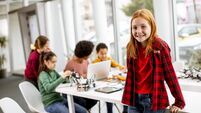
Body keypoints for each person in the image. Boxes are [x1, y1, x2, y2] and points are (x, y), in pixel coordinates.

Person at [122, 9, 185, 113]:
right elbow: (131, 73)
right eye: (134, 27)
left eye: (143, 26)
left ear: (152, 26)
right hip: (134, 99)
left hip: (154, 100)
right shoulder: (130, 47)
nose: (138, 31)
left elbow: (170, 75)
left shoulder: (160, 46)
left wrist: (179, 101)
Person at [92, 42, 127, 113]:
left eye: (105, 53)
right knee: (108, 95)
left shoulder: (108, 59)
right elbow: (92, 76)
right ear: (97, 53)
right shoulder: (94, 63)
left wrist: (123, 68)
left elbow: (118, 65)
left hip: (108, 82)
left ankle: (125, 110)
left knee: (123, 90)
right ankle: (109, 111)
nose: (104, 55)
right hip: (99, 84)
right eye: (102, 53)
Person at [64, 40, 97, 110]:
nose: (90, 55)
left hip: (84, 89)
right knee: (84, 102)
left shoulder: (86, 61)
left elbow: (89, 74)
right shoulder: (70, 64)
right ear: (85, 55)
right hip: (74, 92)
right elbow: (65, 81)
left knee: (95, 99)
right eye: (89, 53)